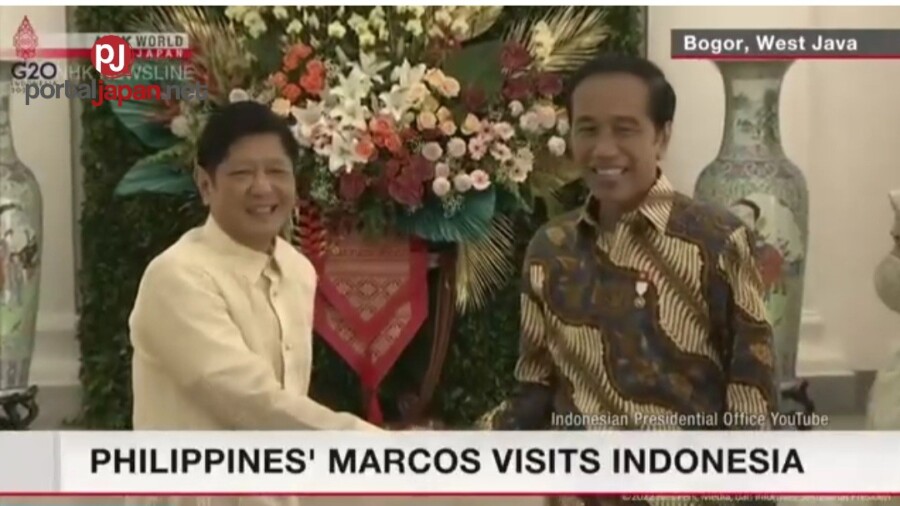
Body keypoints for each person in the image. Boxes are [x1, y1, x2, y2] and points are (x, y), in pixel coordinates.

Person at [482, 55, 778, 505]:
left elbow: (752, 396)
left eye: (624, 129)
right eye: (587, 129)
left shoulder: (716, 241)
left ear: (661, 136)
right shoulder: (551, 247)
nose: (603, 149)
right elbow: (534, 390)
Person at [128, 101, 381, 506]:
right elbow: (250, 401)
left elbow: (285, 408)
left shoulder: (297, 270)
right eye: (242, 173)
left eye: (277, 172)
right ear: (206, 184)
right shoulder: (177, 278)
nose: (263, 188)